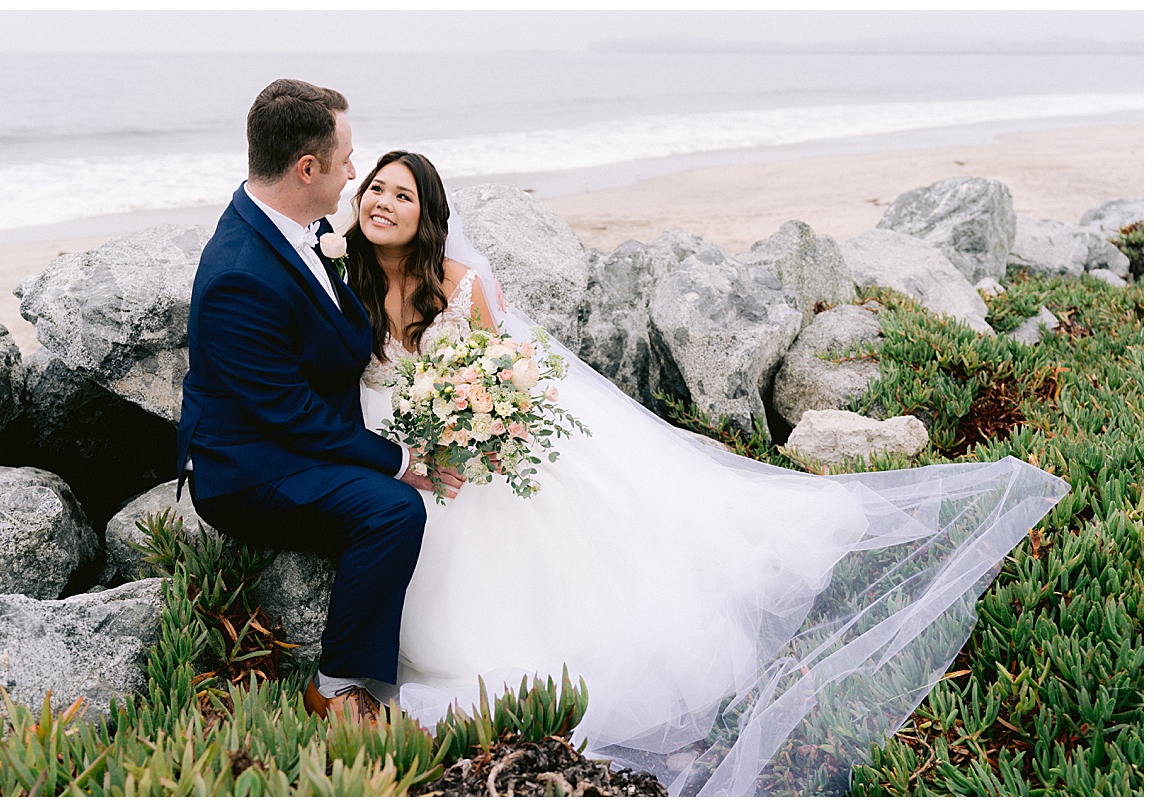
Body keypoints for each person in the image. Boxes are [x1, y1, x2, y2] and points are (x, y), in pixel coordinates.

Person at [342, 150, 1071, 796]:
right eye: (376, 187)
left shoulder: (463, 285)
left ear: (428, 213)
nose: (383, 201)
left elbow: (515, 377)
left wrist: (484, 432)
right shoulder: (350, 286)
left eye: (403, 194)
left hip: (486, 454)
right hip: (407, 459)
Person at [175, 81, 463, 727]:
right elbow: (289, 413)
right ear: (308, 168)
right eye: (347, 158)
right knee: (391, 508)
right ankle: (336, 687)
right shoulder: (241, 274)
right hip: (248, 469)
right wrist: (398, 458)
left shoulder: (300, 227)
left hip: (296, 434)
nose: (355, 174)